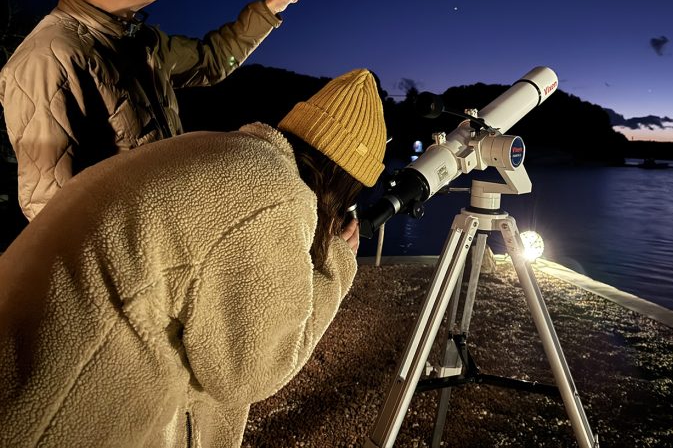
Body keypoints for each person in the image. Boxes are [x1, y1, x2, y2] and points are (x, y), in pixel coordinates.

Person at [0, 68, 387, 448]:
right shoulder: (275, 194)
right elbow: (249, 371)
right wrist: (336, 266)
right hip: (51, 418)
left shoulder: (218, 148)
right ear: (340, 182)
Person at [0, 0, 309, 220]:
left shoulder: (139, 41)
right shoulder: (47, 59)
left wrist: (271, 8)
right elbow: (51, 217)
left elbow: (213, 60)